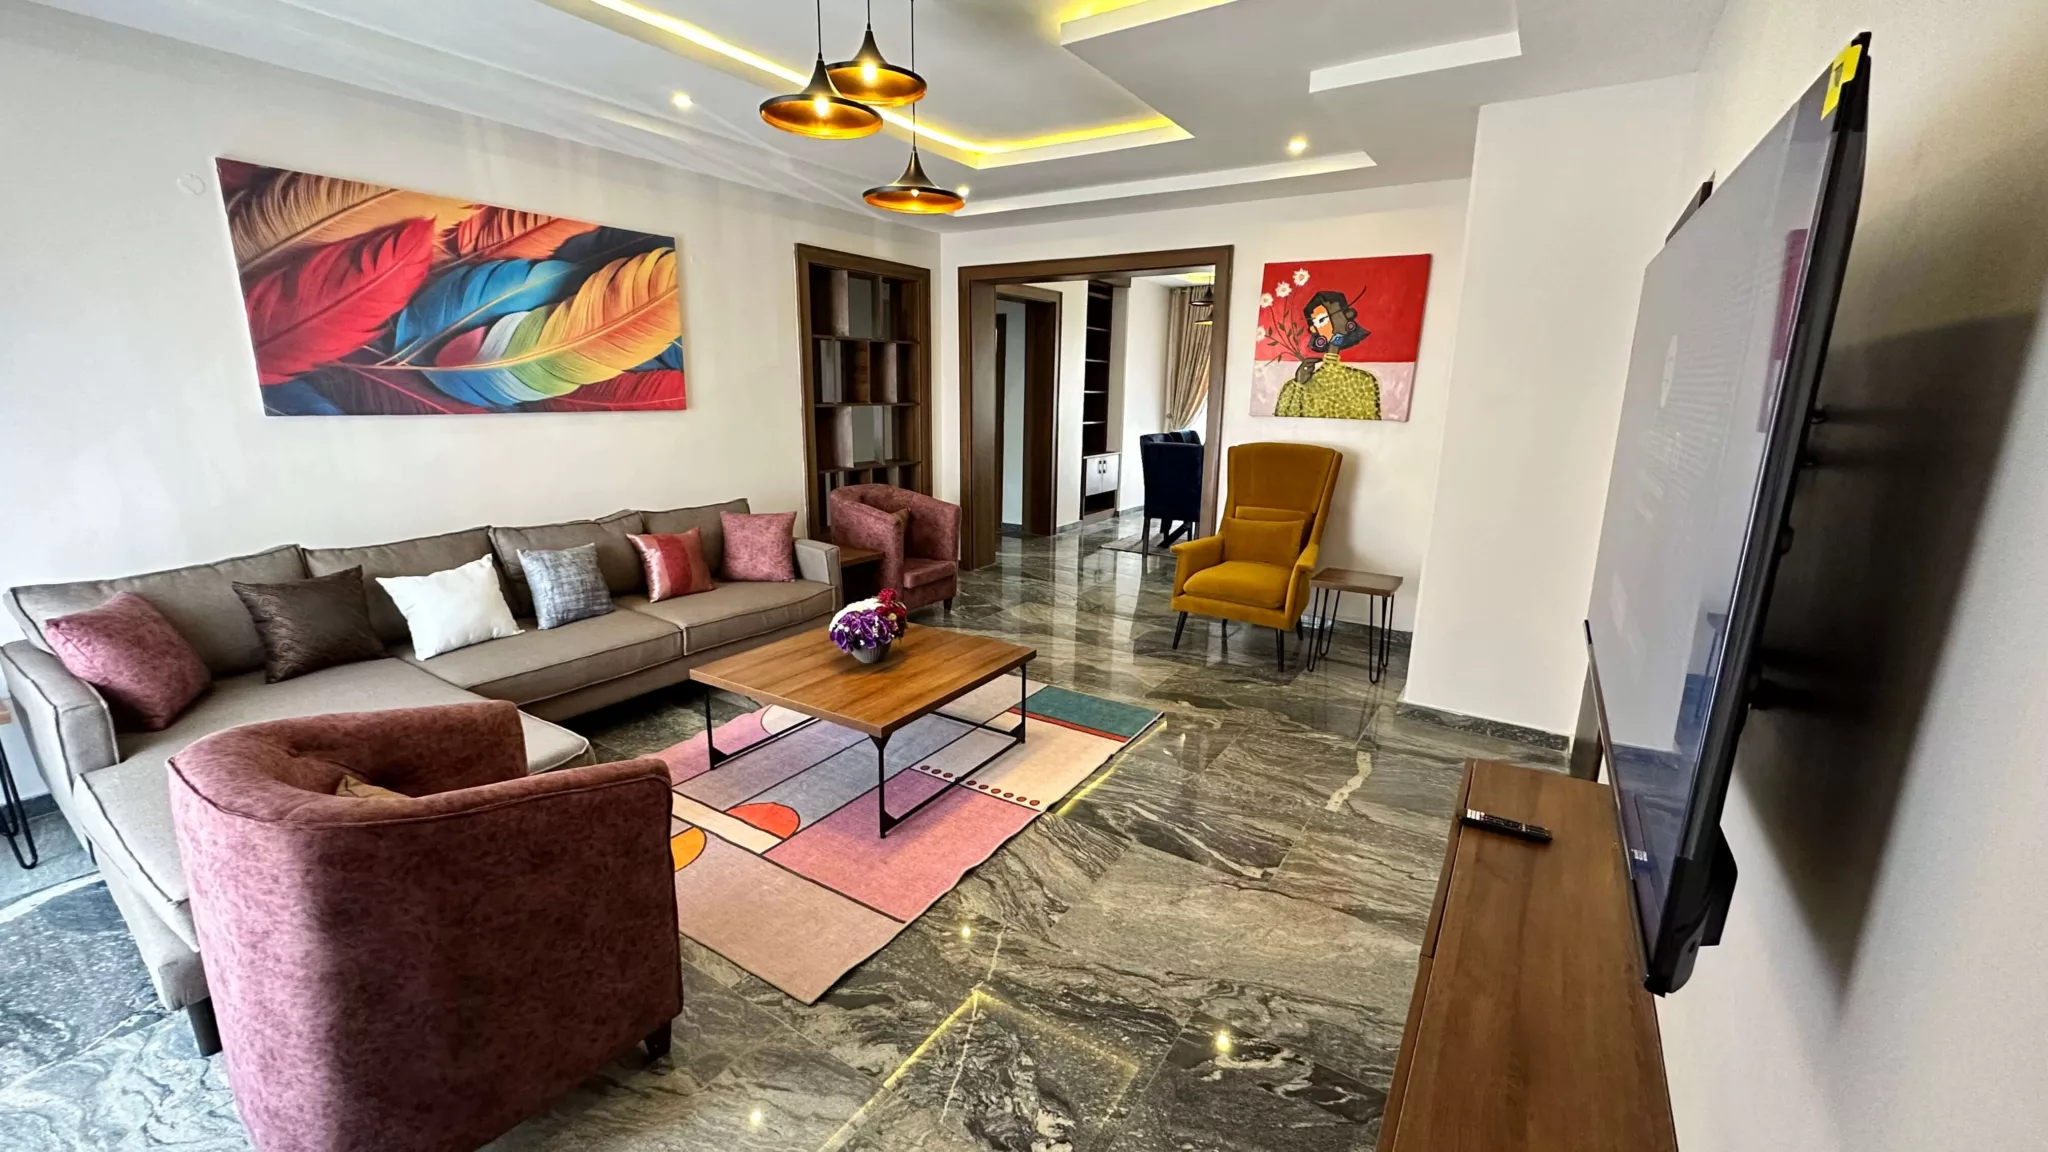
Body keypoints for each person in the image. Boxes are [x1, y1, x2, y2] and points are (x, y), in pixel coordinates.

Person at [1274, 289, 1381, 419]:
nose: (1316, 328)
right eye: (1317, 322)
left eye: (1322, 320)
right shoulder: (1300, 384)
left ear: (1346, 317)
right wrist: (1299, 385)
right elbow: (1284, 422)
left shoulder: (1364, 382)